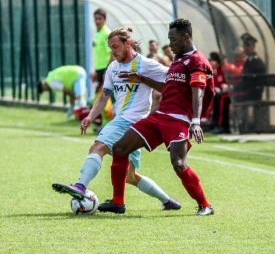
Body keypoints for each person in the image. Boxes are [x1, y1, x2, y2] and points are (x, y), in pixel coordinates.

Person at [52, 27, 181, 212]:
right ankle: (168, 201)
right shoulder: (113, 67)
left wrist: (147, 80)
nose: (113, 51)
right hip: (132, 125)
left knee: (97, 147)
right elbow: (104, 97)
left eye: (115, 46)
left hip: (130, 120)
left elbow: (174, 78)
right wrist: (90, 116)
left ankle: (80, 186)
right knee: (130, 176)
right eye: (110, 48)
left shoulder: (145, 64)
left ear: (127, 43)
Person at [98, 19, 215, 216]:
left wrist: (195, 121)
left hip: (179, 119)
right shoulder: (177, 60)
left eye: (173, 39)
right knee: (120, 147)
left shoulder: (197, 61)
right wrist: (143, 79)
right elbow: (169, 89)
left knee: (178, 164)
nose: (170, 44)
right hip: (160, 116)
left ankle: (205, 205)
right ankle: (118, 202)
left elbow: (198, 91)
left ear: (186, 36)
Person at [234, 33, 266, 102]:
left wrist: (235, 87)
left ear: (253, 46)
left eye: (248, 45)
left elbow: (249, 82)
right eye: (244, 45)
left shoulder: (255, 62)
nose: (246, 48)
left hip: (252, 95)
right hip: (247, 93)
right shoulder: (249, 60)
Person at [209, 52, 230, 134]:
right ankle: (214, 124)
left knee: (220, 99)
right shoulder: (215, 71)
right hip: (219, 94)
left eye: (211, 60)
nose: (210, 62)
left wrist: (227, 85)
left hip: (229, 94)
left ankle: (221, 125)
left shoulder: (225, 69)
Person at [92, 8, 112, 92]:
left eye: (100, 19)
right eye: (96, 19)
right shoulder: (97, 33)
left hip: (105, 69)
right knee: (99, 95)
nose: (97, 21)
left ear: (105, 20)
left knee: (104, 96)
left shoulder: (106, 33)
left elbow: (112, 53)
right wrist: (95, 70)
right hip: (98, 69)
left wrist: (107, 71)